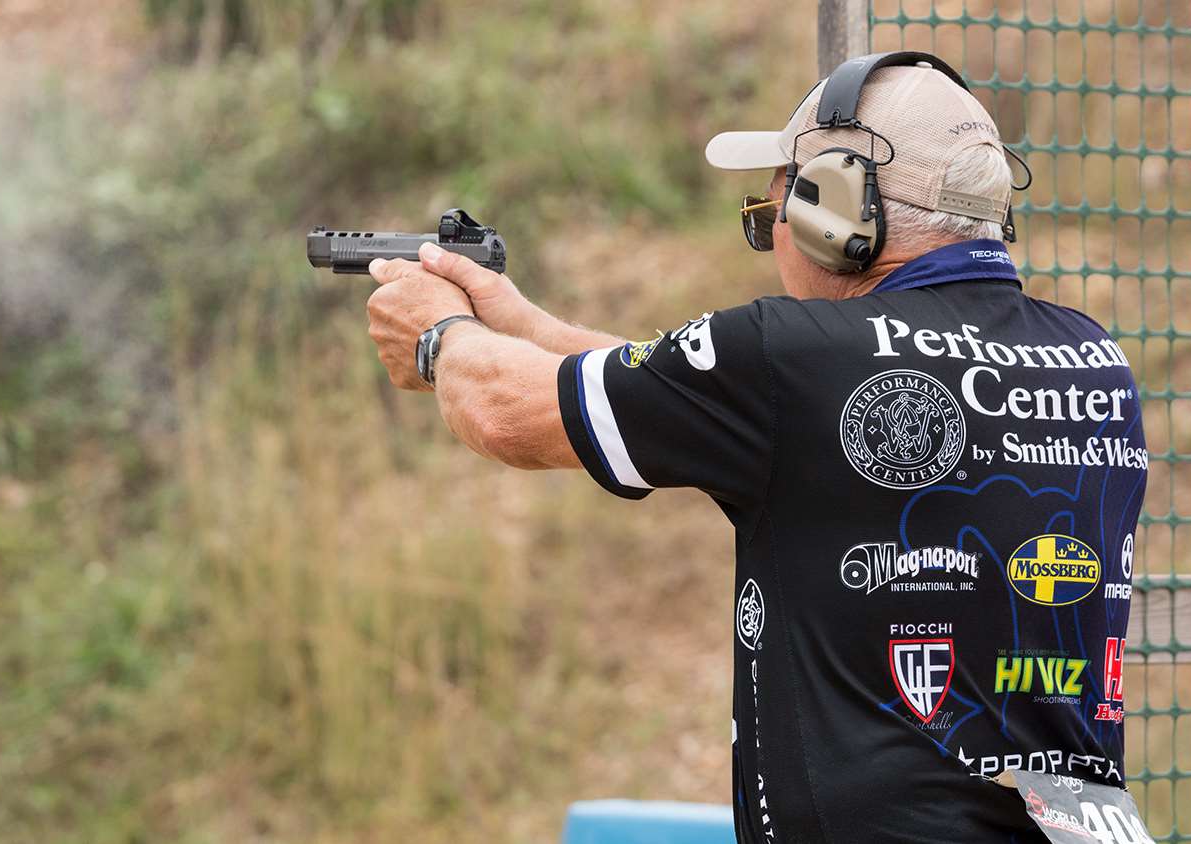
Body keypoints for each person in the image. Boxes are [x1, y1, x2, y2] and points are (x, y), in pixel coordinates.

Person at [364, 53, 1147, 843]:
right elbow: (692, 395)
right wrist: (514, 320)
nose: (771, 233)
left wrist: (435, 337)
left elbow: (506, 413)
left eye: (774, 209)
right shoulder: (1094, 359)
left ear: (837, 213)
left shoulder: (784, 358)